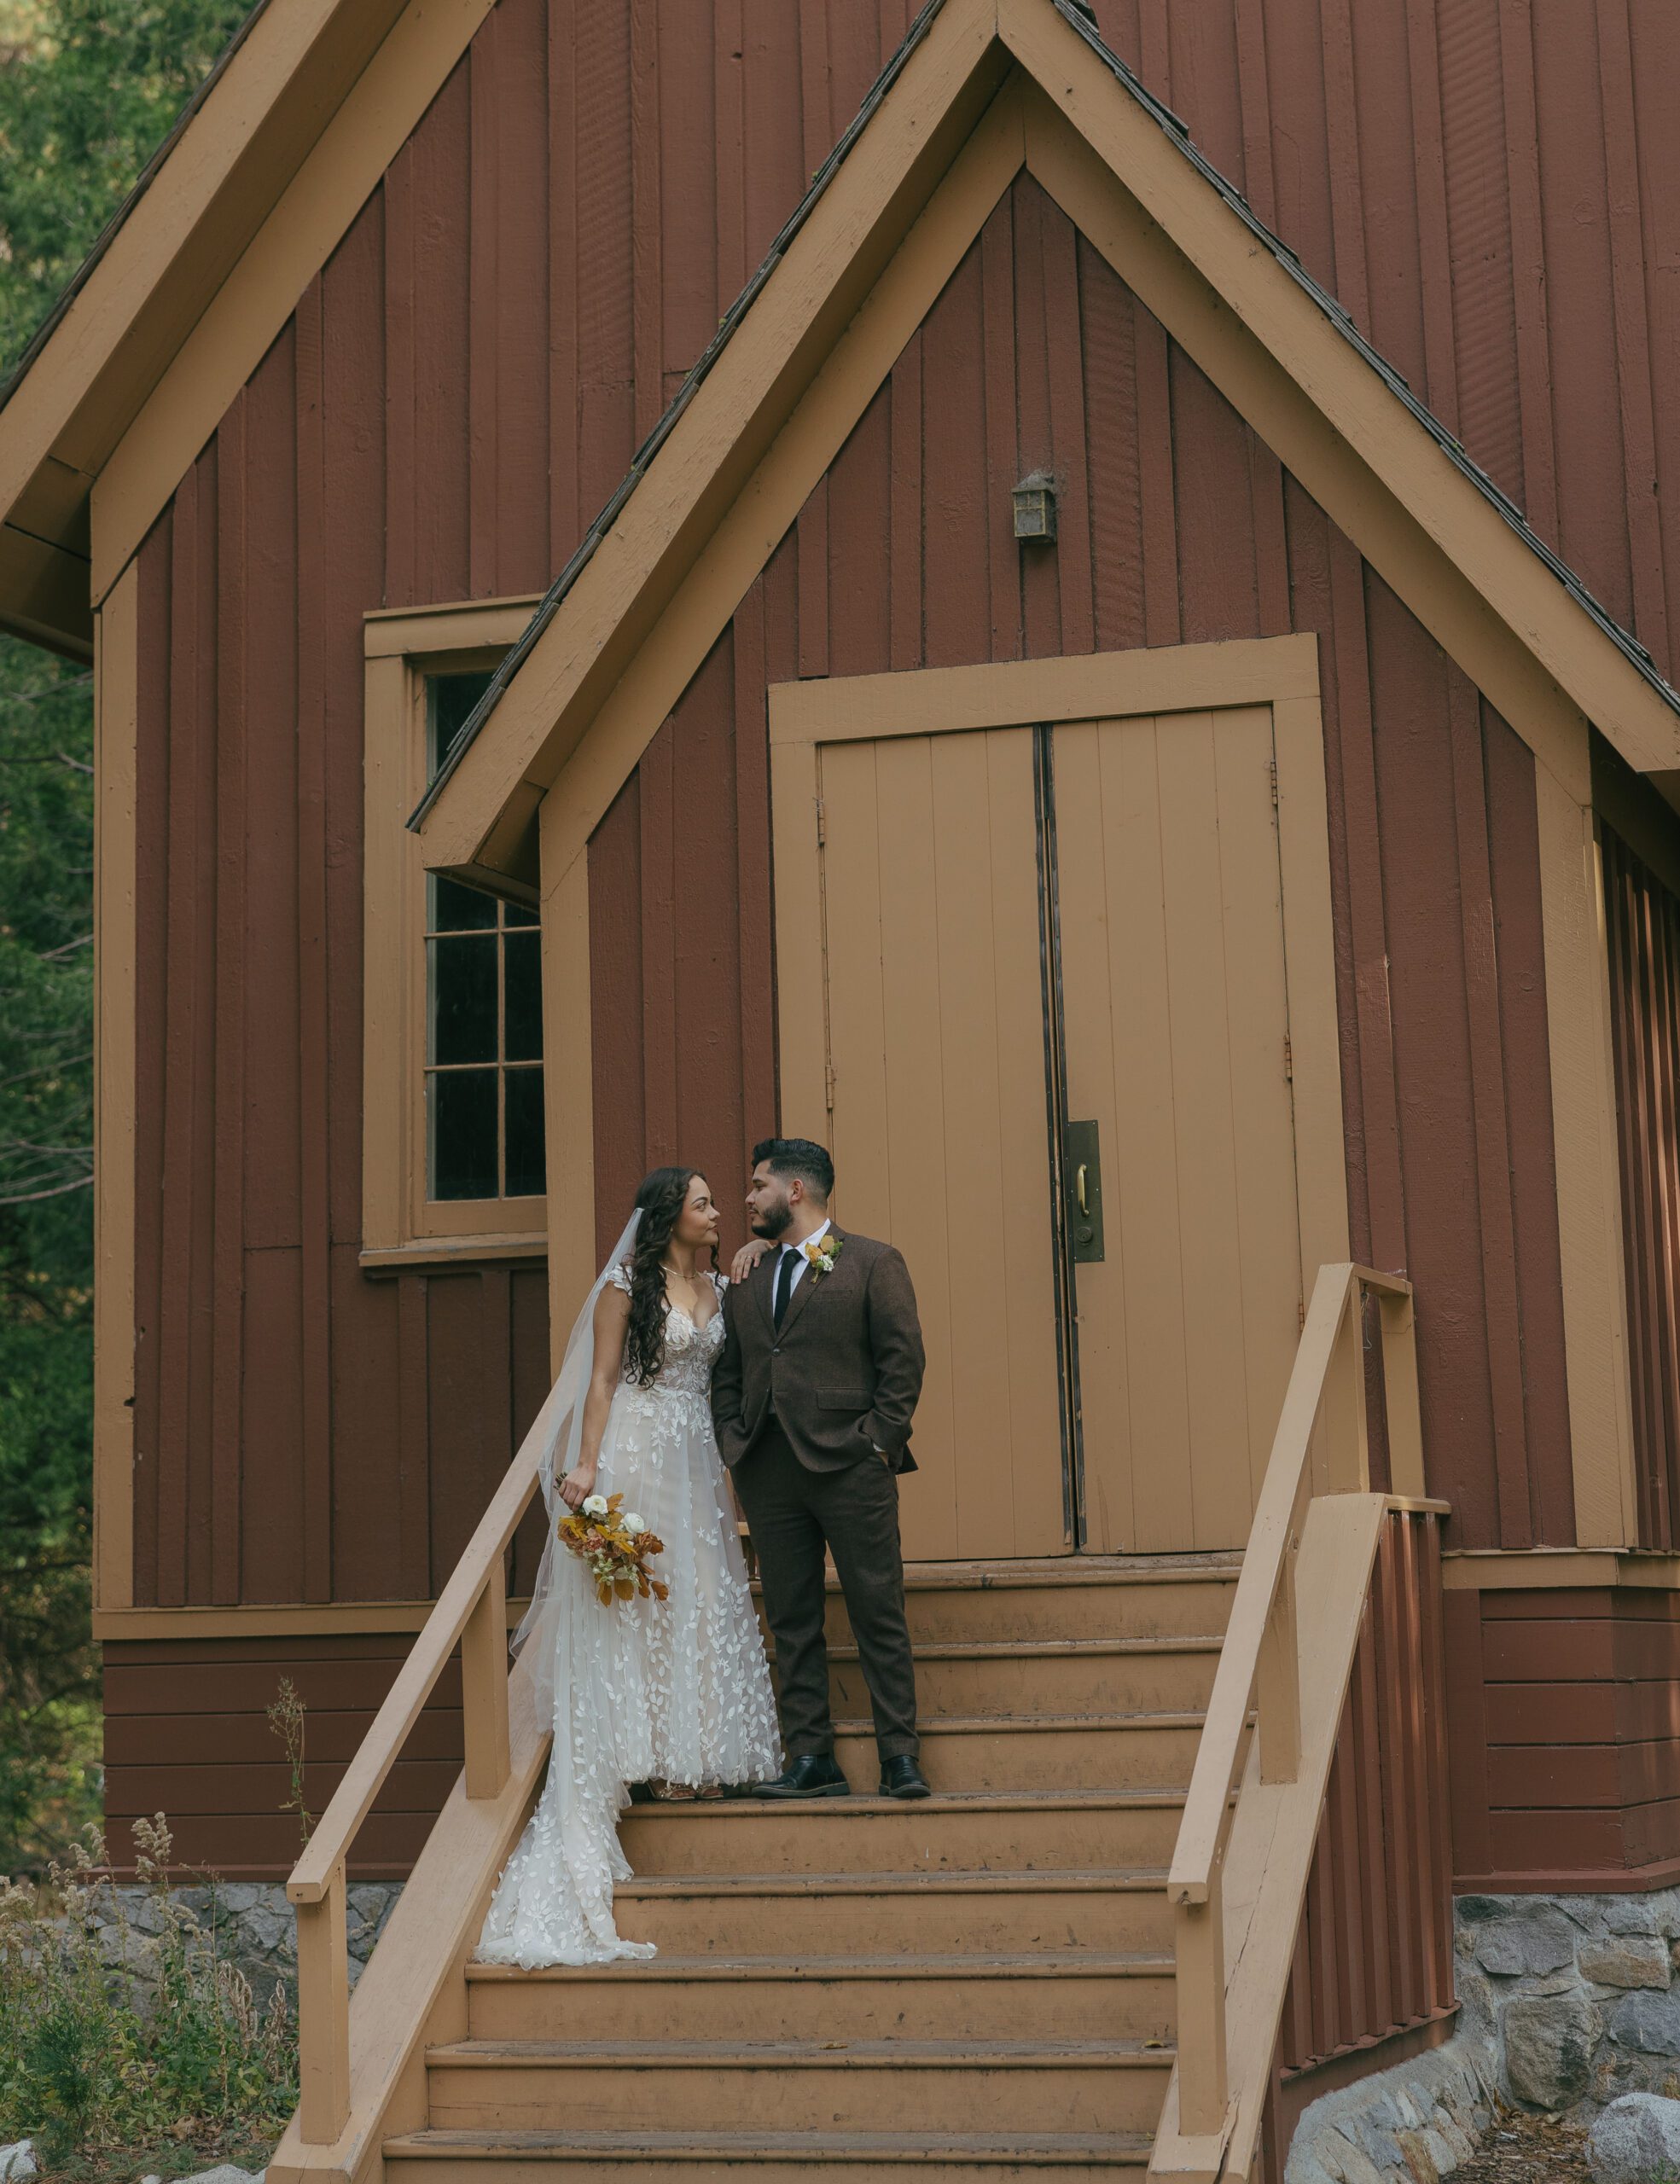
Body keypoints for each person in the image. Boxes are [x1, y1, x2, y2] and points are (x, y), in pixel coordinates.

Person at [476, 1168, 782, 1967]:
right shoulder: (625, 1283)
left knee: (698, 1594)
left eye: (720, 1202)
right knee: (639, 1598)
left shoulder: (720, 1281)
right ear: (667, 1217)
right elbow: (603, 1380)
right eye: (704, 1203)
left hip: (695, 1457)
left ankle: (699, 1756)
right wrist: (584, 1467)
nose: (717, 1212)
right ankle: (648, 1758)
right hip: (637, 1450)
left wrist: (753, 1246)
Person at [712, 1138, 930, 1801]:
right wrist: (733, 1441)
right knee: (791, 1617)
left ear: (795, 1191)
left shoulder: (871, 1262)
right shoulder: (745, 1276)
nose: (746, 1198)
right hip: (768, 1471)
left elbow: (903, 1362)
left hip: (851, 1466)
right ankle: (811, 1758)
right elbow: (728, 1371)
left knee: (876, 1607)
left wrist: (878, 1442)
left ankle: (899, 1756)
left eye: (757, 1186)